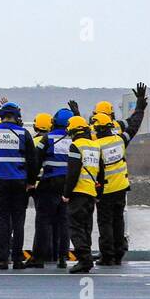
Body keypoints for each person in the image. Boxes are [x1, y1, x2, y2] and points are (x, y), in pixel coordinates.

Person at [0, 101, 39, 270]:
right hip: (20, 183)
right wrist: (31, 182)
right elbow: (33, 160)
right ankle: (18, 260)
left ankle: (2, 260)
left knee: (1, 221)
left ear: (0, 116)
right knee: (18, 221)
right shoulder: (24, 134)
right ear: (17, 116)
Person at [27, 108, 72, 269]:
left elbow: (36, 161)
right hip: (67, 185)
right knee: (63, 222)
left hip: (49, 183)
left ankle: (39, 258)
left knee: (43, 221)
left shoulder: (47, 139)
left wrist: (31, 183)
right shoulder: (74, 140)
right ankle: (62, 257)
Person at [63, 115, 103, 274]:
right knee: (86, 227)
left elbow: (73, 172)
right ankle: (86, 257)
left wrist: (66, 193)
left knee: (76, 227)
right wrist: (98, 193)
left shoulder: (75, 146)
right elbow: (102, 173)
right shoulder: (95, 146)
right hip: (91, 193)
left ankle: (84, 260)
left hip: (78, 192)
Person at [91, 112, 133, 265]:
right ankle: (119, 253)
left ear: (100, 129)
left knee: (105, 223)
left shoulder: (97, 146)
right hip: (121, 187)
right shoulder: (120, 140)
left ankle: (107, 255)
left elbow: (97, 170)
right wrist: (140, 108)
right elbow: (132, 129)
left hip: (106, 189)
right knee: (118, 221)